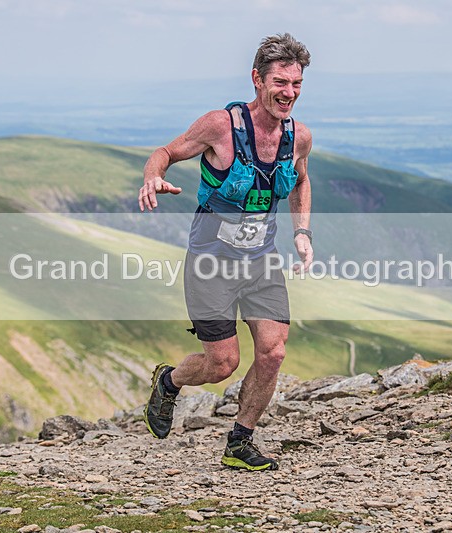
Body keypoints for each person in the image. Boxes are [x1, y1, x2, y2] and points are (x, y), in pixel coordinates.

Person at [137, 33, 313, 471]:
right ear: (257, 79)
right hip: (211, 262)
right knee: (222, 365)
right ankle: (170, 381)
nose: (288, 93)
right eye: (279, 82)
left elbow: (301, 180)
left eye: (296, 83)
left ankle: (240, 441)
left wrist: (302, 232)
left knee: (273, 351)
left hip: (262, 260)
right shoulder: (222, 126)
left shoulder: (298, 138)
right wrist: (152, 177)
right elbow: (165, 152)